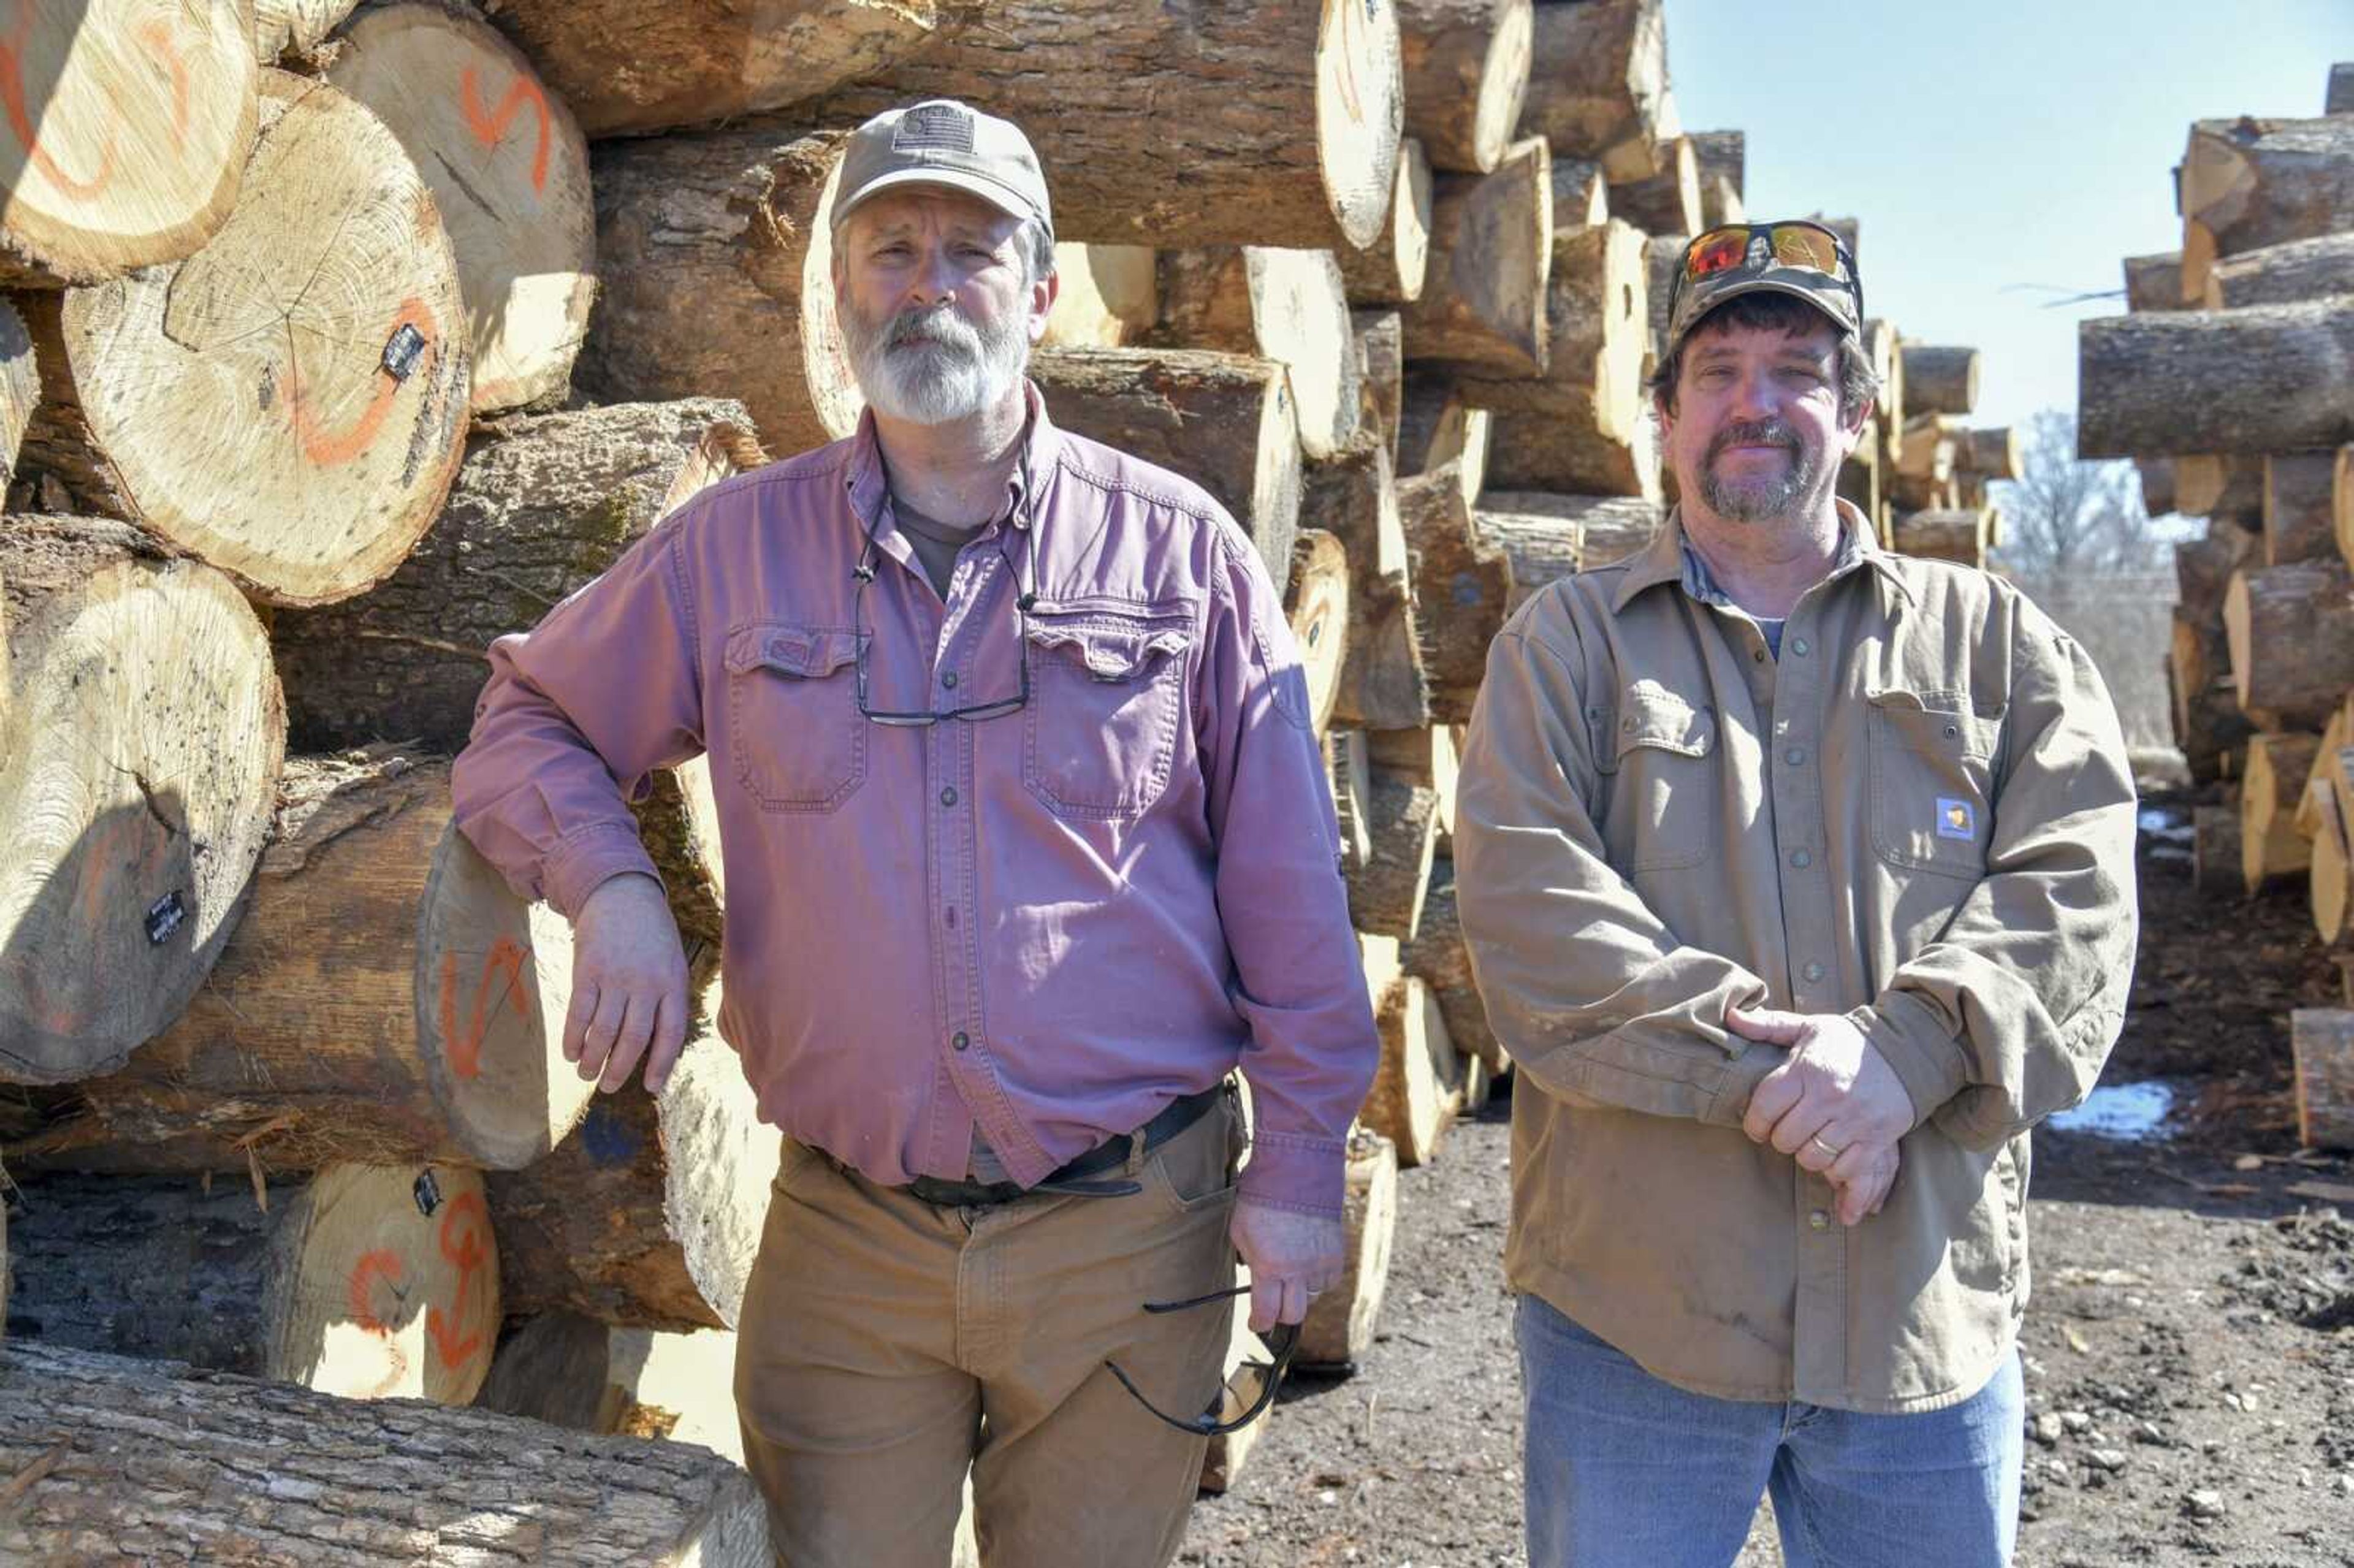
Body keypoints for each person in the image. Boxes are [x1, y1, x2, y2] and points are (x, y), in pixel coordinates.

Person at [449, 98, 1377, 1567]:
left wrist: (1305, 1161)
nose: (929, 282)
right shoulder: (733, 550)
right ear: (838, 295)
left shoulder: (1183, 554)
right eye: (890, 249)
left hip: (1128, 1235)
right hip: (847, 1245)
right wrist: (610, 880)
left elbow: (1289, 898)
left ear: (1045, 289)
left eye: (971, 248)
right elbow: (529, 721)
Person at [1453, 219, 2139, 1567]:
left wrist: (1907, 1056)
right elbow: (1531, 913)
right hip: (1637, 1332)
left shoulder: (2000, 647)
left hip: (1917, 1334)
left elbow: (2082, 893)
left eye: (1796, 368)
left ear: (1859, 410)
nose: (1754, 403)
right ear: (1661, 416)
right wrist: (1802, 1082)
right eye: (1716, 372)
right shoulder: (1566, 649)